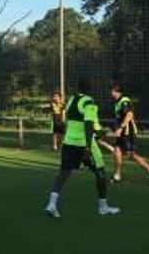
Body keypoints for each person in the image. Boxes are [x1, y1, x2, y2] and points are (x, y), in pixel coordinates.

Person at [44, 77, 120, 218]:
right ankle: (103, 207)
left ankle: (51, 204)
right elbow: (88, 125)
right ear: (90, 88)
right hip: (84, 144)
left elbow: (72, 122)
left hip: (68, 142)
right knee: (100, 173)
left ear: (78, 88)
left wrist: (100, 131)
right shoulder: (89, 103)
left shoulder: (71, 100)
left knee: (64, 173)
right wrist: (87, 147)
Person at [110, 83, 149, 184]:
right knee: (117, 151)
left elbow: (129, 115)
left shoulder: (125, 101)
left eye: (112, 90)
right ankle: (117, 176)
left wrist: (120, 128)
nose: (111, 93)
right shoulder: (117, 102)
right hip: (121, 133)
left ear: (117, 91)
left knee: (131, 155)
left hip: (128, 133)